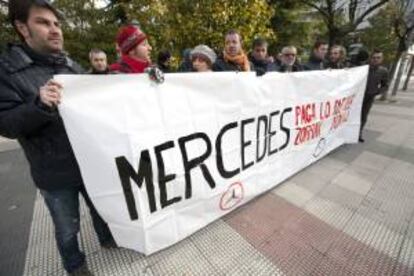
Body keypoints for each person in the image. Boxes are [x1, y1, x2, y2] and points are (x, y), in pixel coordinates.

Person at [0, 1, 116, 275]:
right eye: (43, 22)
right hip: (53, 173)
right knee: (67, 227)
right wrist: (38, 106)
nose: (54, 30)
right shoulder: (7, 72)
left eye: (57, 24)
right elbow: (6, 124)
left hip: (87, 163)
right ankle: (74, 264)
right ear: (22, 28)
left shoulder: (70, 64)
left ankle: (108, 239)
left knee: (101, 207)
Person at [359, 49, 389, 142]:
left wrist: (377, 92)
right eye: (374, 57)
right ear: (370, 58)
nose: (376, 59)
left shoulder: (383, 71)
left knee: (363, 116)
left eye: (378, 58)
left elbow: (385, 85)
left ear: (382, 59)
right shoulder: (363, 67)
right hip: (358, 96)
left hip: (369, 97)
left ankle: (359, 133)